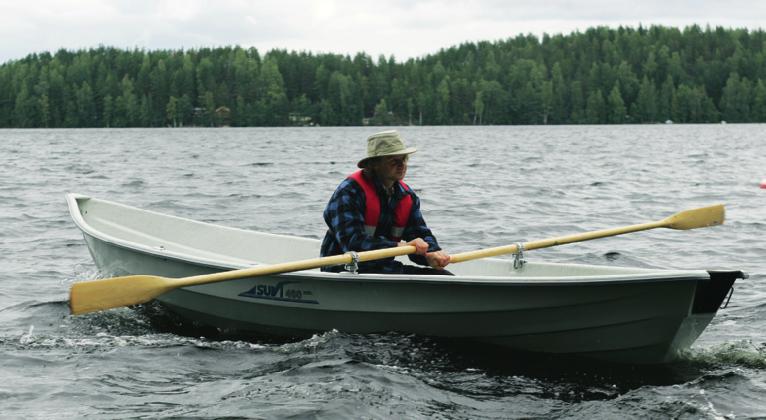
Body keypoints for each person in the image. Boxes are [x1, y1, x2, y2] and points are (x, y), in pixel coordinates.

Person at [320, 130, 452, 275]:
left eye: (404, 159)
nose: (402, 165)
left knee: (444, 276)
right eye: (394, 161)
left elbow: (419, 233)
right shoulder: (349, 192)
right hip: (342, 268)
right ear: (374, 164)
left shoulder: (406, 196)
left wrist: (431, 254)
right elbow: (353, 242)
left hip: (382, 267)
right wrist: (400, 246)